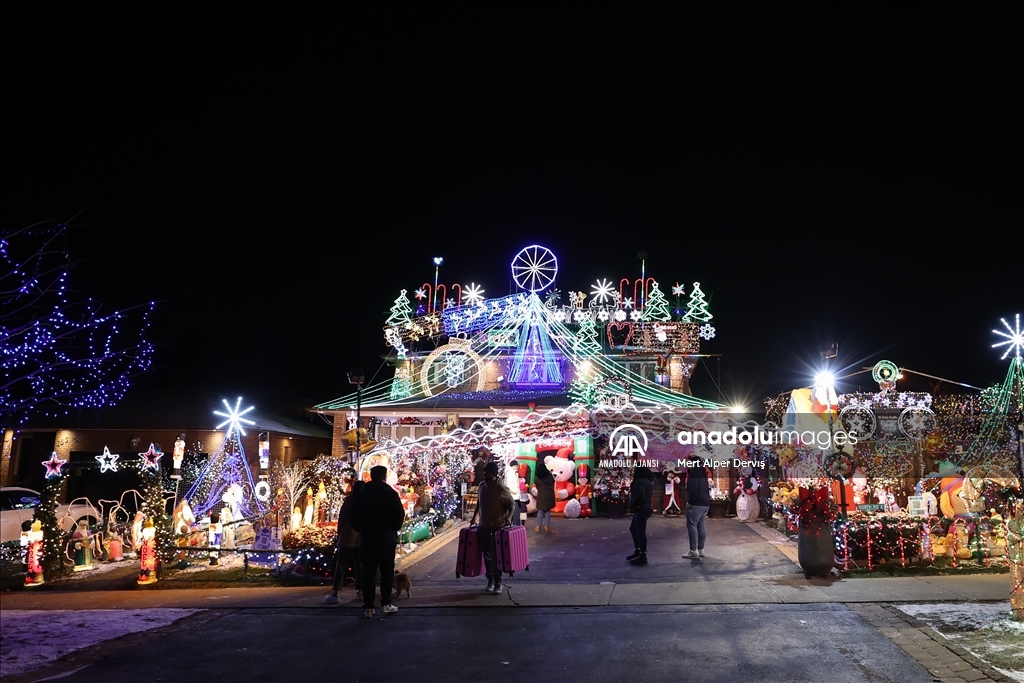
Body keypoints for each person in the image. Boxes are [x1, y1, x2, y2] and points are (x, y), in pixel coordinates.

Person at [349, 466, 406, 618]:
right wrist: (393, 529)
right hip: (386, 538)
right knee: (387, 571)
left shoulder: (362, 494)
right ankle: (386, 603)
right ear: (384, 477)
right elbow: (399, 513)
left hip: (367, 539)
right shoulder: (390, 493)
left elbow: (352, 514)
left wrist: (361, 529)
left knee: (368, 573)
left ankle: (368, 607)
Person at [476, 461, 515, 594]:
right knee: (486, 555)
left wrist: (508, 519)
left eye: (487, 472)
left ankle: (498, 582)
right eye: (484, 471)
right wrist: (474, 517)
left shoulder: (501, 488)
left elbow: (511, 505)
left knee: (495, 555)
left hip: (497, 527)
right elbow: (478, 502)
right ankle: (490, 580)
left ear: (494, 473)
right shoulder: (481, 486)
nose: (484, 474)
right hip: (483, 526)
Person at [324, 480, 363, 605]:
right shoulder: (366, 502)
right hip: (360, 537)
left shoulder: (348, 501)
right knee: (359, 565)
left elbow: (341, 520)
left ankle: (336, 592)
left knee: (341, 566)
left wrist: (339, 533)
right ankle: (361, 591)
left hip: (346, 536)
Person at [627, 465, 655, 565]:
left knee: (640, 531)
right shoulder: (648, 480)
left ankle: (642, 555)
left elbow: (640, 495)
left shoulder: (640, 481)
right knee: (634, 529)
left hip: (641, 508)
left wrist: (632, 503)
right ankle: (638, 551)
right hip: (645, 507)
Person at [684, 465, 711, 558]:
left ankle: (693, 550)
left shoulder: (693, 474)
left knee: (692, 525)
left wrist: (690, 502)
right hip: (705, 503)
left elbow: (693, 489)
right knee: (701, 525)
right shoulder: (703, 474)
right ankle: (701, 549)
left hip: (696, 504)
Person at [532, 457, 555, 532]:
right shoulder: (550, 476)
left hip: (541, 496)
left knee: (540, 511)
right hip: (550, 495)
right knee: (548, 511)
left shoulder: (536, 478)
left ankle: (538, 526)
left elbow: (537, 485)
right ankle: (547, 526)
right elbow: (553, 482)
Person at [505, 459, 522, 526]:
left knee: (515, 513)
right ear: (513, 466)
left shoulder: (514, 473)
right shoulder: (510, 473)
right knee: (516, 513)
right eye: (516, 466)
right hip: (513, 496)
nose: (517, 467)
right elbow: (509, 485)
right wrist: (515, 491)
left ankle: (514, 527)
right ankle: (515, 527)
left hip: (516, 496)